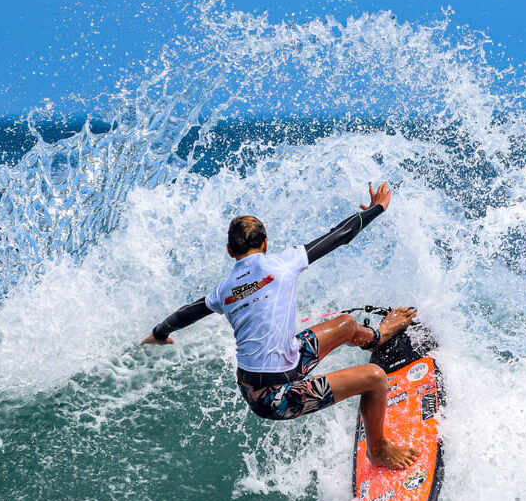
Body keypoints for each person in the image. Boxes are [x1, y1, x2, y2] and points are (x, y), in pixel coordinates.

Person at [142, 182, 419, 470]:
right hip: (273, 397)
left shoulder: (223, 291)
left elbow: (186, 314)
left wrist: (159, 333)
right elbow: (340, 235)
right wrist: (378, 208)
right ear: (265, 243)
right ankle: (378, 450)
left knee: (347, 324)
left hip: (276, 368)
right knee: (375, 378)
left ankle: (378, 336)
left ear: (229, 250)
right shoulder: (283, 264)